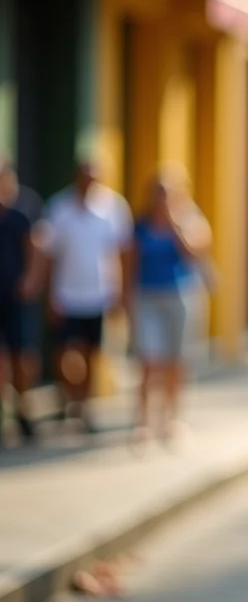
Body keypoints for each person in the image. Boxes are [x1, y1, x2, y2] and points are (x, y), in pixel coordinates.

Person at [31, 160, 132, 433]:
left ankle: (82, 407)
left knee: (90, 354)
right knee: (65, 353)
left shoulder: (113, 207)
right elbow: (49, 254)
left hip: (98, 295)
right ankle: (69, 397)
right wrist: (50, 294)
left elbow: (122, 253)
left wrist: (121, 295)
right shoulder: (59, 207)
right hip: (67, 294)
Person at [122, 175, 211, 448]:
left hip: (180, 296)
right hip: (146, 297)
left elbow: (196, 255)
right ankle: (144, 422)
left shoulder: (191, 221)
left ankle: (173, 419)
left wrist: (175, 225)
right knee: (149, 360)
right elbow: (129, 264)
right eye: (158, 194)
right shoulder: (140, 226)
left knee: (176, 361)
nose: (162, 201)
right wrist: (124, 300)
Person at [0, 161, 41, 443]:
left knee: (22, 356)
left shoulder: (25, 208)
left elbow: (36, 249)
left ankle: (23, 408)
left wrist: (30, 281)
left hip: (17, 297)